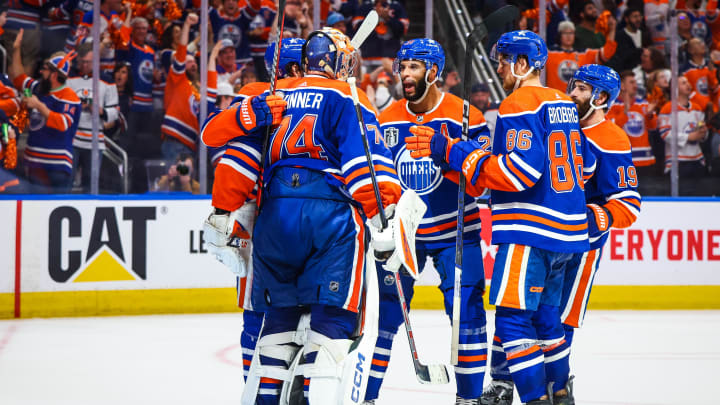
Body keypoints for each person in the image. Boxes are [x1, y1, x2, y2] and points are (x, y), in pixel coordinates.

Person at [202, 28, 401, 405]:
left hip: (272, 219)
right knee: (329, 335)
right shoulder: (347, 94)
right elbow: (365, 165)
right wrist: (382, 216)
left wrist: (222, 210)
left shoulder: (268, 98)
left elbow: (231, 154)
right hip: (330, 220)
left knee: (274, 334)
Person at [405, 30, 597, 405]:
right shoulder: (562, 102)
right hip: (569, 233)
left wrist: (454, 151)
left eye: (503, 62)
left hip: (532, 231)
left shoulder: (518, 104)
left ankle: (534, 399)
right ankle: (561, 393)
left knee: (512, 322)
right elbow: (585, 163)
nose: (499, 70)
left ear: (522, 64)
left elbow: (519, 172)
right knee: (547, 321)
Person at [479, 64, 641, 405]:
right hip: (549, 238)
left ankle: (557, 390)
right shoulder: (556, 121)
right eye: (573, 86)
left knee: (555, 323)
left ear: (601, 97)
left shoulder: (611, 138)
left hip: (582, 251)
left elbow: (628, 204)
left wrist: (583, 218)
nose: (573, 93)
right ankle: (503, 382)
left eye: (582, 89)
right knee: (518, 310)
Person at [362, 38, 491, 405]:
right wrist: (381, 220)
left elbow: (481, 182)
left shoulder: (467, 116)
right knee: (385, 317)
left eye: (413, 67)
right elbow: (378, 178)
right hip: (403, 234)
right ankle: (367, 398)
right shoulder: (386, 120)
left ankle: (468, 399)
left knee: (466, 316)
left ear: (433, 72)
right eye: (402, 67)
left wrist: (455, 156)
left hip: (456, 232)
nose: (405, 74)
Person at [202, 37, 304, 382]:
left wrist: (223, 208)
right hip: (276, 219)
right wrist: (252, 112)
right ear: (294, 68)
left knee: (272, 315)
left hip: (278, 219)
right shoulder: (262, 93)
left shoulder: (321, 95)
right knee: (280, 315)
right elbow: (212, 135)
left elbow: (223, 151)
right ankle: (276, 390)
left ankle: (262, 390)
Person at [8, 30, 81, 193]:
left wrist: (39, 105)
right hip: (34, 162)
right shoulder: (39, 88)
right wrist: (16, 49)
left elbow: (63, 124)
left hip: (57, 166)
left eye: (45, 69)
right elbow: (19, 78)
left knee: (58, 206)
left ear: (55, 74)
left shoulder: (69, 96)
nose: (41, 71)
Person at [160, 13, 219, 162]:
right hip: (174, 140)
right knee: (173, 183)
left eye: (194, 62)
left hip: (192, 144)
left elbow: (211, 94)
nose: (192, 64)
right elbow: (181, 53)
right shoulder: (177, 80)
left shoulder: (199, 87)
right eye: (188, 62)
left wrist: (213, 56)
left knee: (187, 185)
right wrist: (187, 25)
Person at [67, 43, 121, 193]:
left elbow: (115, 111)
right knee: (67, 181)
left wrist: (99, 111)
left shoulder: (107, 80)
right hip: (72, 139)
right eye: (82, 62)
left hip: (95, 142)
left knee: (91, 186)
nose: (84, 65)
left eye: (88, 62)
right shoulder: (69, 77)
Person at [607, 71, 659, 192]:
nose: (635, 85)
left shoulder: (644, 104)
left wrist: (650, 114)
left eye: (635, 82)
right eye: (631, 82)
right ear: (623, 86)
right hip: (624, 162)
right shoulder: (612, 106)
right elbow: (612, 128)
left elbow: (653, 126)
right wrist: (625, 109)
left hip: (645, 161)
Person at [658, 75, 708, 187]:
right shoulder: (667, 108)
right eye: (683, 83)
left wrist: (703, 133)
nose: (688, 84)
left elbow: (703, 135)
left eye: (688, 82)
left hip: (697, 159)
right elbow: (665, 134)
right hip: (677, 162)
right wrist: (689, 137)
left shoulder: (697, 108)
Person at [545, 19, 617, 92]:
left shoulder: (584, 54)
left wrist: (612, 30)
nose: (568, 36)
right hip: (555, 99)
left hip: (576, 100)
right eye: (565, 33)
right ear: (559, 35)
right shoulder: (549, 53)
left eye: (571, 33)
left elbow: (606, 53)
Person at [607, 7, 652, 73]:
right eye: (635, 17)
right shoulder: (620, 36)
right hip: (627, 71)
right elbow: (623, 56)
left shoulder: (645, 34)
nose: (638, 19)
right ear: (626, 19)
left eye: (640, 16)